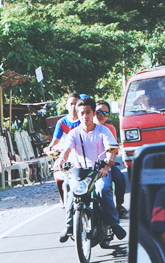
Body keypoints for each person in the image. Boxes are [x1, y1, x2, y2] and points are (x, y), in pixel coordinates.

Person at [53, 94, 125, 241]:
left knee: (102, 189)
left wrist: (107, 165)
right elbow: (66, 151)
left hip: (99, 172)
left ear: (93, 113)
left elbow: (111, 150)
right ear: (77, 114)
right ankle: (69, 225)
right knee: (69, 188)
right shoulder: (73, 133)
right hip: (80, 173)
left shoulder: (103, 131)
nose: (84, 116)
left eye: (88, 112)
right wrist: (60, 161)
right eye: (81, 113)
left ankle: (113, 223)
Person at [94, 99, 130, 213]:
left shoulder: (110, 129)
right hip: (88, 164)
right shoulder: (84, 128)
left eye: (106, 113)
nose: (103, 115)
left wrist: (108, 164)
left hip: (106, 164)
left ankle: (119, 205)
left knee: (119, 178)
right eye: (99, 112)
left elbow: (113, 150)